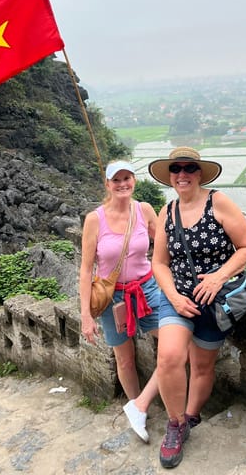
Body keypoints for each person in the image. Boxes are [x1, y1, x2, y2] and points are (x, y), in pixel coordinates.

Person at [149, 146, 246, 468]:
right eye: (176, 169)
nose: (182, 174)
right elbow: (159, 263)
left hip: (214, 299)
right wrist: (174, 296)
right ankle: (175, 424)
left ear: (199, 174)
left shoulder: (217, 202)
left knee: (203, 366)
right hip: (178, 297)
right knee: (169, 358)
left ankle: (192, 417)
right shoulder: (167, 212)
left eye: (189, 168)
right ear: (170, 176)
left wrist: (217, 278)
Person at [79, 160, 160, 442]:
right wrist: (86, 316)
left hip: (147, 289)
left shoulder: (144, 210)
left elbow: (164, 244)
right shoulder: (94, 219)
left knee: (176, 344)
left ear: (134, 181)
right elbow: (86, 268)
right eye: (117, 180)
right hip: (113, 298)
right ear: (108, 184)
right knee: (124, 360)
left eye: (127, 178)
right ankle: (138, 408)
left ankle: (141, 404)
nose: (123, 184)